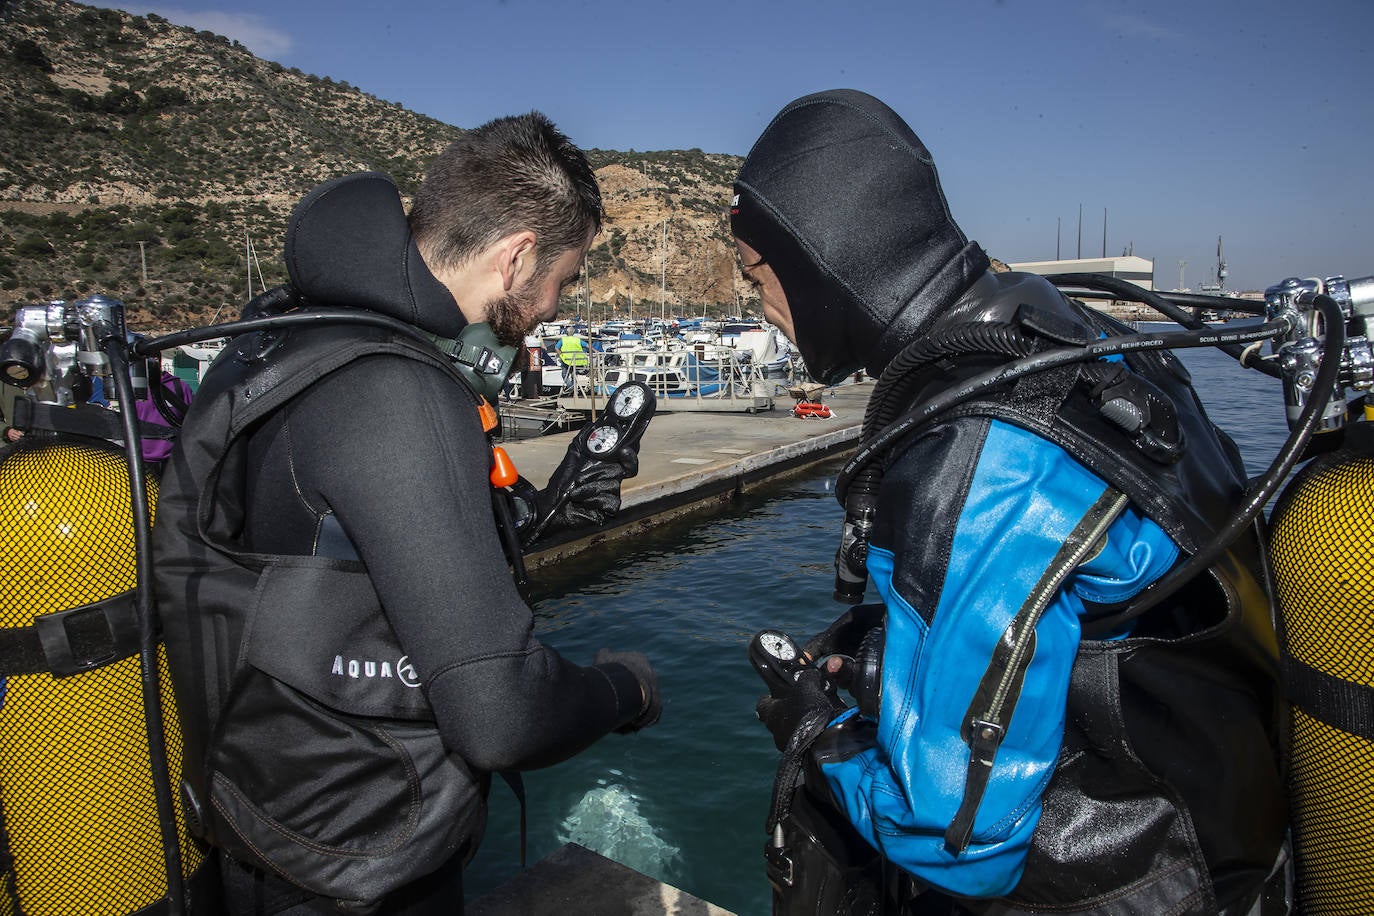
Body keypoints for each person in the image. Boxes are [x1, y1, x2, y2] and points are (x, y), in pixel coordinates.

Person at [735, 90, 1288, 915]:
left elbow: (954, 843)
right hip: (1239, 843)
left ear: (823, 258)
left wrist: (815, 727)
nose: (759, 303)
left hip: (1140, 885)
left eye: (757, 271)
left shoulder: (977, 455)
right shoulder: (1075, 342)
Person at [153, 112, 660, 915]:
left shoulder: (278, 339)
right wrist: (621, 690)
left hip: (259, 822)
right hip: (355, 869)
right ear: (517, 254)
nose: (558, 307)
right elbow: (500, 716)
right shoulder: (399, 391)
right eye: (563, 278)